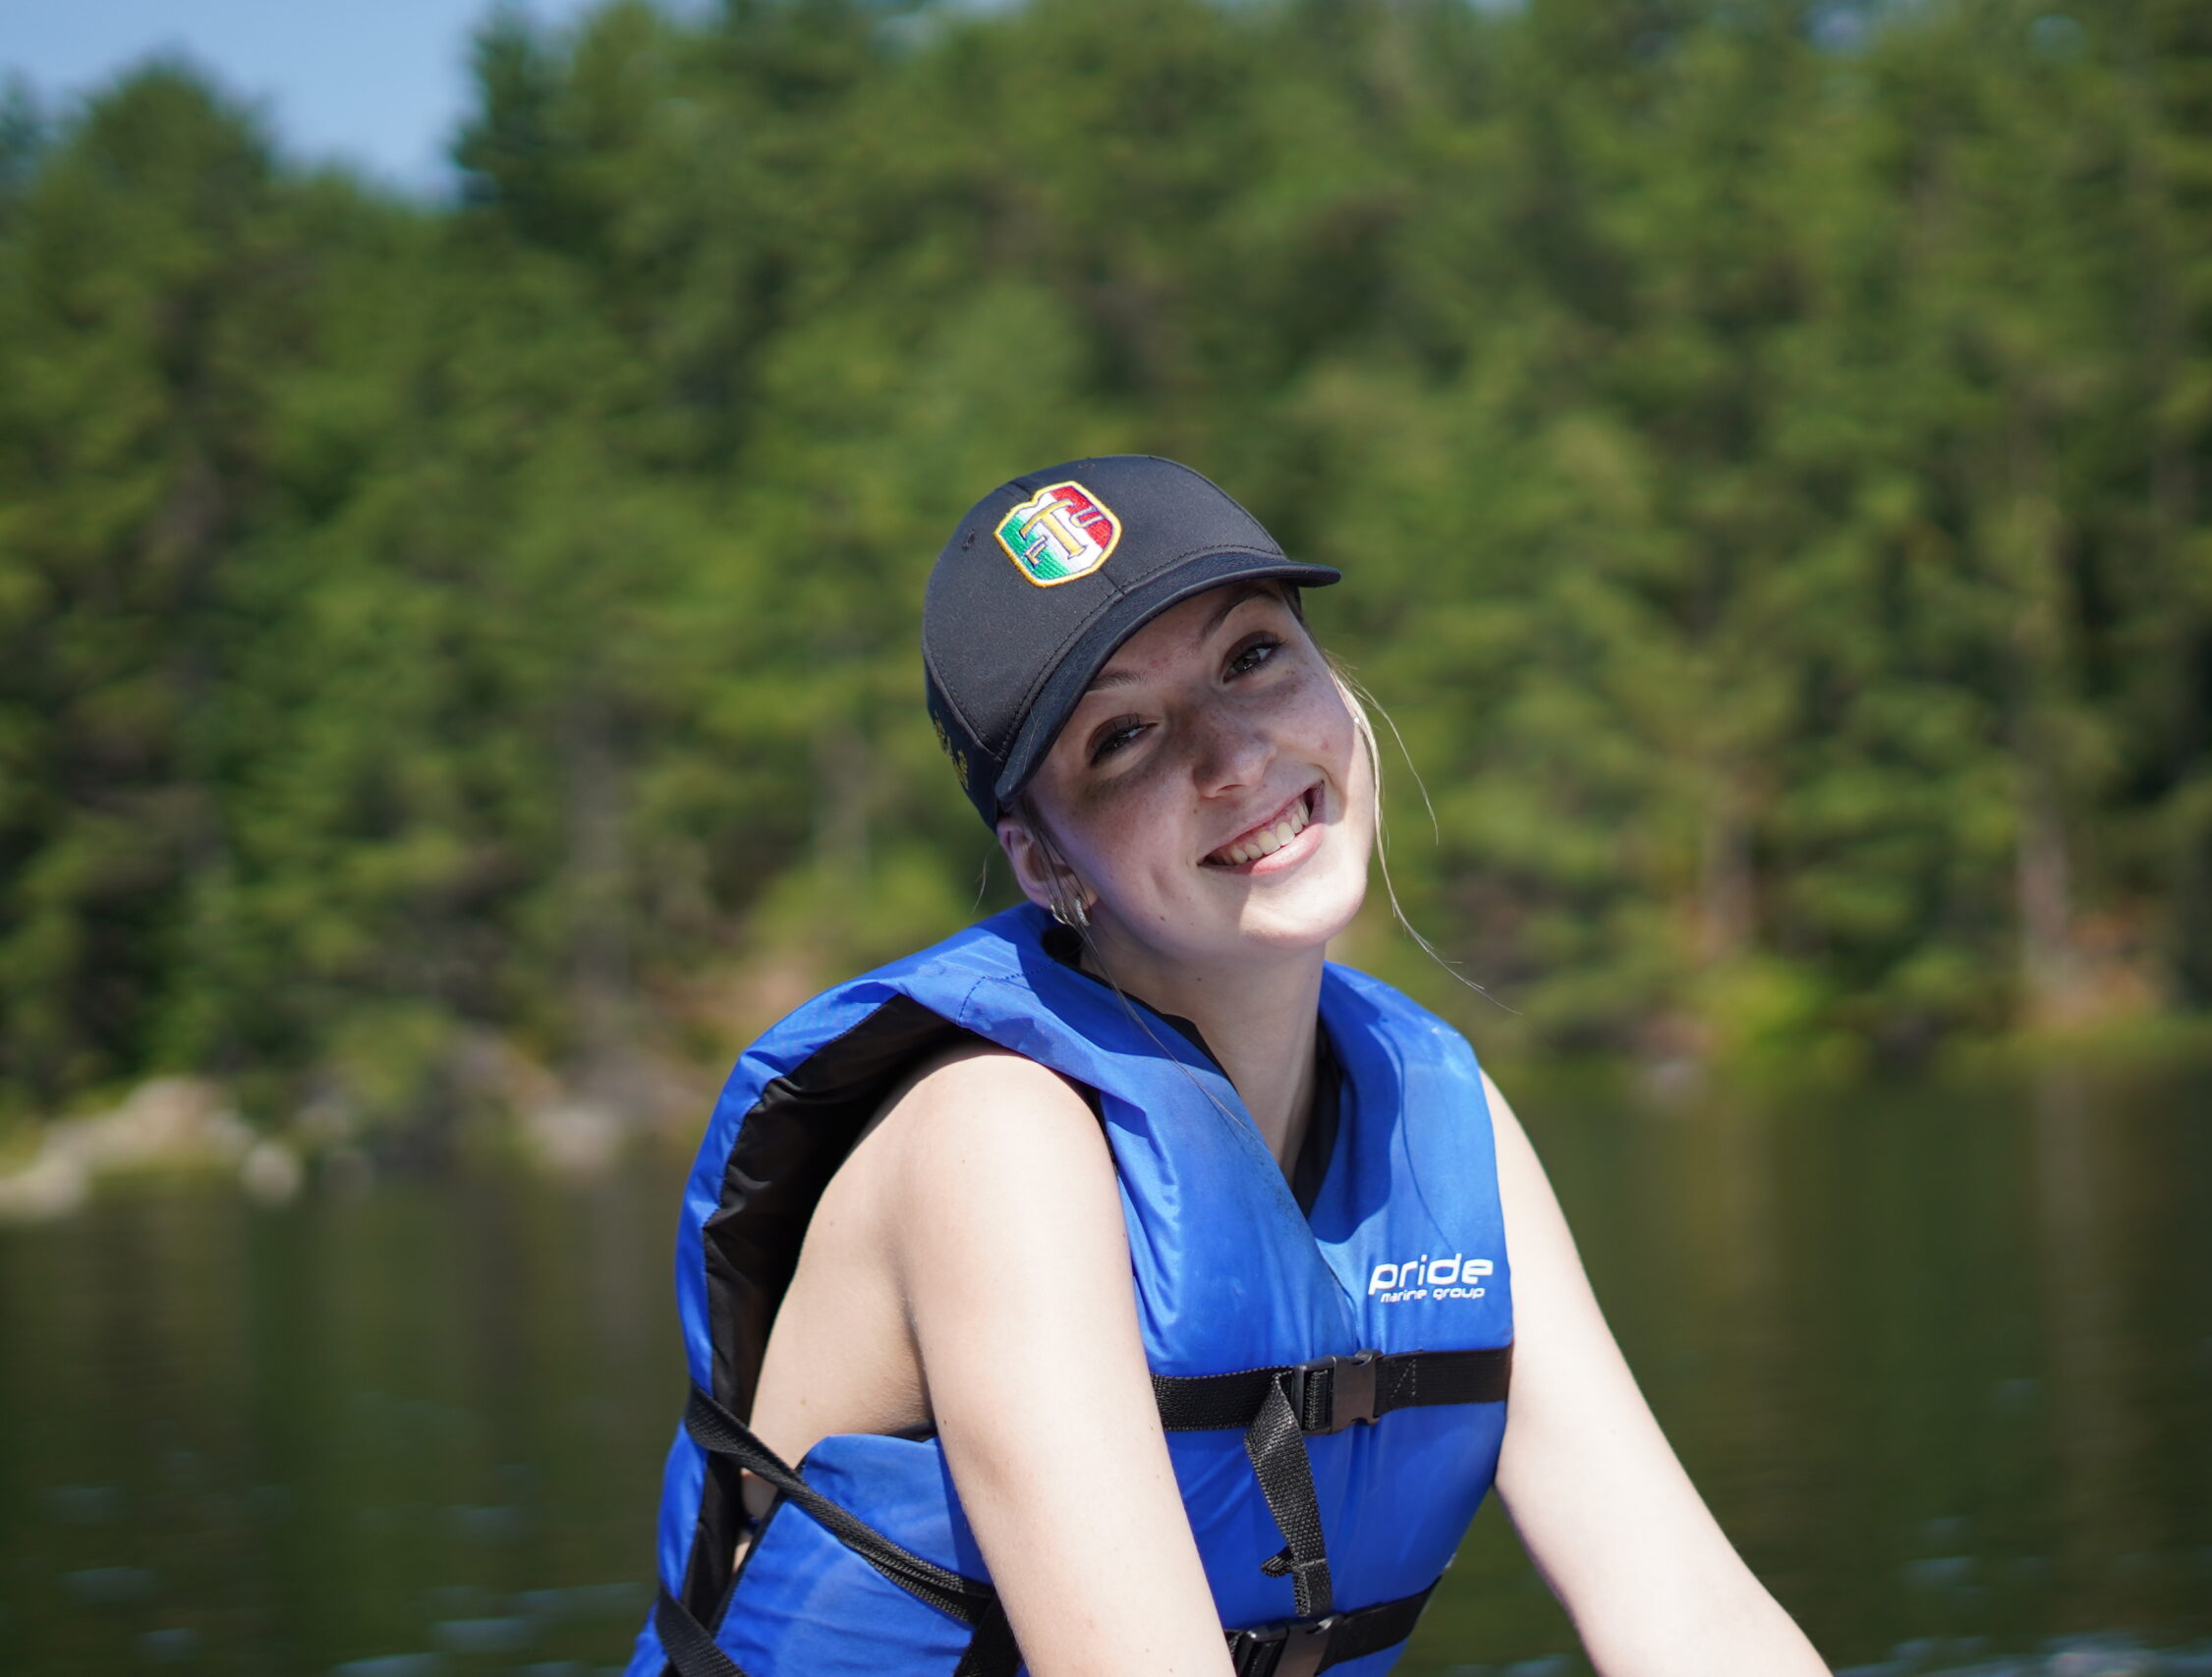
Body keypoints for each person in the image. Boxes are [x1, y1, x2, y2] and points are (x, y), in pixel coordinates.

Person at [624, 457, 1827, 1677]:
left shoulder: (1436, 1115)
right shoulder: (997, 1145)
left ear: (1338, 688)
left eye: (1252, 657)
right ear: (1042, 864)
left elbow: (1691, 1618)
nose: (1233, 759)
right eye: (1125, 737)